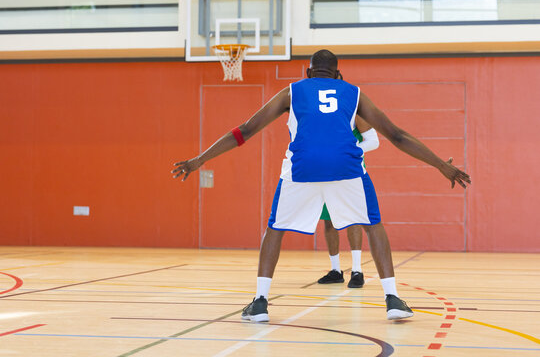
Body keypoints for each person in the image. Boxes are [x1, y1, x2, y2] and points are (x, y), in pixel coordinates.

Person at [172, 49, 470, 322]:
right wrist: (442, 166)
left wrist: (200, 159)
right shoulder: (354, 93)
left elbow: (246, 130)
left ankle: (260, 302)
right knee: (373, 225)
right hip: (346, 168)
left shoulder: (291, 92)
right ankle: (392, 298)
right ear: (338, 74)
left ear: (308, 71)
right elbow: (397, 135)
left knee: (275, 228)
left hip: (302, 168)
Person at [317, 118, 379, 288]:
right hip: (326, 173)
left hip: (351, 173)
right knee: (329, 222)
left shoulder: (356, 114)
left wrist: (347, 150)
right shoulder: (323, 117)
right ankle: (336, 270)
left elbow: (374, 142)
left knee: (353, 220)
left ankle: (357, 270)